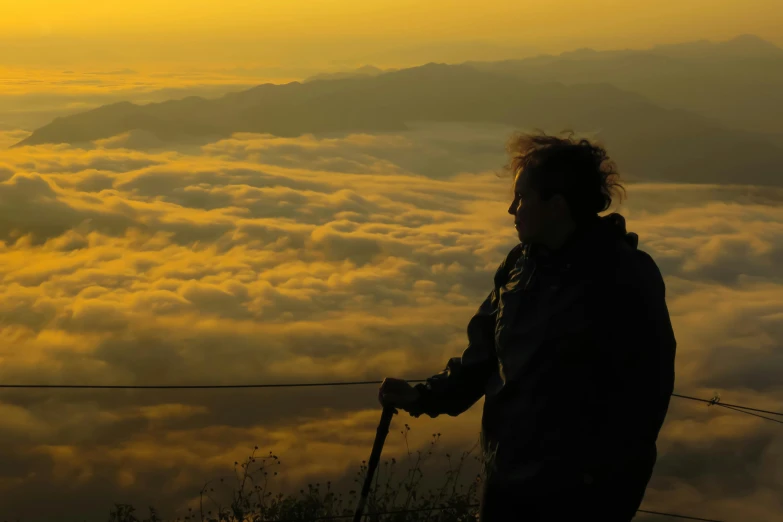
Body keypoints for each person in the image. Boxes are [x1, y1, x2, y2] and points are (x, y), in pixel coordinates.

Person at [378, 131, 677, 521]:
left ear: (556, 205)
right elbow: (482, 361)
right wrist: (422, 398)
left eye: (522, 197)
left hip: (581, 498)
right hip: (507, 483)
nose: (511, 209)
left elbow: (646, 395)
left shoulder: (624, 278)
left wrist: (602, 488)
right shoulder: (520, 265)